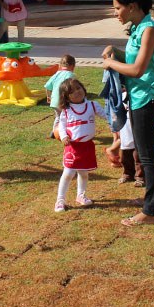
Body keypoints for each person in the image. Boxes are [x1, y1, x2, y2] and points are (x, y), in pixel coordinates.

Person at [101, 0, 154, 227]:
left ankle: (149, 211)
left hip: (147, 98)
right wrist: (114, 51)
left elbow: (138, 69)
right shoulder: (138, 28)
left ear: (132, 7)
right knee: (144, 152)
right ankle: (150, 203)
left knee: (148, 157)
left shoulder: (149, 31)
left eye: (117, 8)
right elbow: (133, 60)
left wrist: (110, 64)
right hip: (137, 98)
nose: (116, 13)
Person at [54, 78, 107, 212]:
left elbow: (106, 115)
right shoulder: (66, 111)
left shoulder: (92, 105)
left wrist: (116, 117)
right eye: (72, 92)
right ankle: (60, 200)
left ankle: (81, 195)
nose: (77, 92)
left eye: (78, 88)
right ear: (66, 97)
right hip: (72, 147)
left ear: (83, 89)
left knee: (84, 173)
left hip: (87, 147)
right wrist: (64, 136)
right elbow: (62, 126)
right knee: (68, 173)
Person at [44, 54, 76, 139]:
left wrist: (48, 96)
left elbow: (47, 86)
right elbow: (72, 88)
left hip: (54, 101)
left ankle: (54, 131)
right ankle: (65, 132)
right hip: (63, 101)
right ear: (72, 66)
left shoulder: (57, 74)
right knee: (67, 117)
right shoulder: (70, 75)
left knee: (58, 116)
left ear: (61, 65)